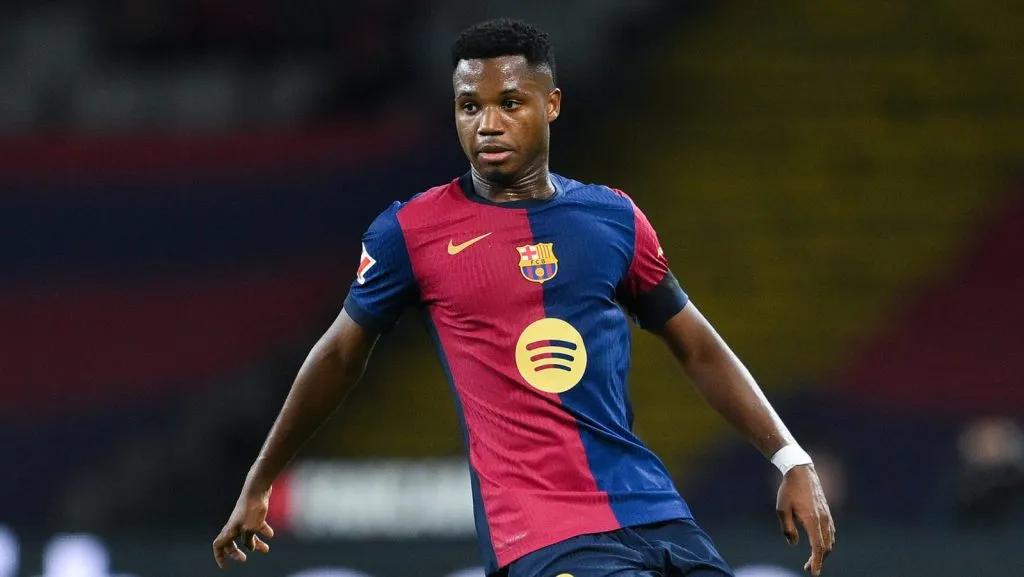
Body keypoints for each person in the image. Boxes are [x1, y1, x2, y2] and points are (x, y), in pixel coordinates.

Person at [212, 18, 836, 577]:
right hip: (543, 537)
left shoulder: (613, 218)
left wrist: (790, 458)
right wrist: (261, 478)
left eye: (510, 102)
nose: (487, 123)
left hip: (654, 512)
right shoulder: (412, 232)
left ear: (552, 105)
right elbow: (339, 357)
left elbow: (698, 347)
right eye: (468, 106)